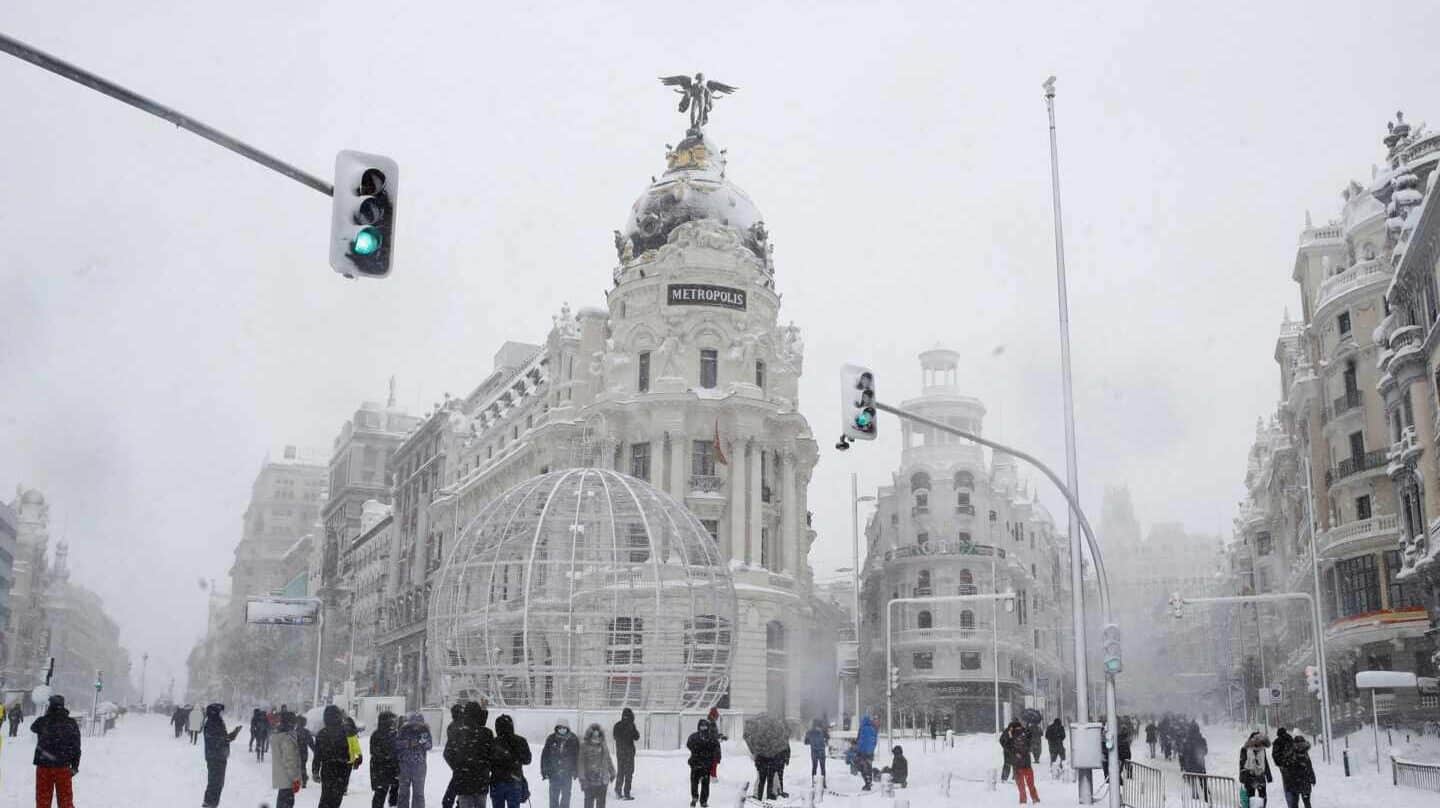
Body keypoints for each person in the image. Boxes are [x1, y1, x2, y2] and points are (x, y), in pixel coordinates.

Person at [32, 694, 81, 808]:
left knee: (43, 800)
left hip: (43, 766)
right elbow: (76, 747)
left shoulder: (43, 721)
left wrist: (47, 716)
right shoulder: (71, 723)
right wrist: (74, 766)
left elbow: (33, 727)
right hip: (63, 767)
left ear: (50, 706)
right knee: (65, 801)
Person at [444, 701, 495, 808]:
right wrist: (485, 767)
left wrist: (458, 767)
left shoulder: (458, 732)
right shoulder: (486, 733)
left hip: (463, 780)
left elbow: (448, 753)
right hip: (481, 780)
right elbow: (493, 755)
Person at [201, 702, 242, 808]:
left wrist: (233, 734)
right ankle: (208, 805)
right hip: (215, 758)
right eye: (220, 711)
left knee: (218, 784)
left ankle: (212, 804)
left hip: (219, 757)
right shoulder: (211, 723)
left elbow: (223, 739)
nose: (221, 714)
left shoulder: (217, 722)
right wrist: (229, 737)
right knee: (214, 784)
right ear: (215, 712)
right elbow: (217, 741)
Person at [315, 705, 356, 808]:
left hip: (327, 769)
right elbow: (353, 750)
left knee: (325, 797)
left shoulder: (322, 733)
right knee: (336, 799)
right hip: (343, 769)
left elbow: (317, 755)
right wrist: (354, 761)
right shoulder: (347, 732)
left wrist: (315, 770)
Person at [490, 714, 532, 808]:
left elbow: (488, 762)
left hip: (496, 781)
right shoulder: (520, 741)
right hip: (515, 780)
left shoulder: (493, 742)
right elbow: (528, 760)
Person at [395, 711, 434, 808]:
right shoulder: (404, 730)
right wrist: (408, 743)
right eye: (414, 723)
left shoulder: (425, 730)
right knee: (403, 793)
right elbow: (396, 744)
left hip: (419, 766)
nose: (416, 726)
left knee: (418, 794)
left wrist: (421, 743)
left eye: (419, 724)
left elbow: (429, 745)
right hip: (405, 765)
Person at [541, 719, 580, 808]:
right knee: (553, 796)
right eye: (560, 728)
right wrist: (545, 771)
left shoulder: (573, 739)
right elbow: (545, 756)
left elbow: (577, 756)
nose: (562, 729)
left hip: (567, 773)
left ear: (567, 728)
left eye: (564, 728)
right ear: (557, 728)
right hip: (554, 773)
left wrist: (576, 770)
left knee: (566, 796)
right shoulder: (551, 739)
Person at [577, 724, 616, 808]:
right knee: (588, 803)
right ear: (589, 735)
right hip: (589, 780)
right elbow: (581, 763)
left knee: (601, 804)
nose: (596, 738)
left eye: (598, 736)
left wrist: (612, 772)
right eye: (594, 736)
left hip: (602, 780)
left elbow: (608, 759)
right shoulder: (584, 746)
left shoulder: (603, 746)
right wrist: (582, 778)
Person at [271, 710, 304, 808]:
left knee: (281, 802)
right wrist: (295, 779)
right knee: (286, 803)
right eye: (294, 722)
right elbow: (290, 761)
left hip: (282, 778)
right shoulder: (287, 738)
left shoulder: (278, 734)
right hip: (288, 779)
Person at [1002, 720, 1039, 804]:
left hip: (1017, 764)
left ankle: (1023, 801)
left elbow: (1006, 745)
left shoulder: (1011, 735)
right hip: (1027, 763)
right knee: (1031, 784)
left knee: (1021, 786)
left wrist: (1009, 734)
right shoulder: (1026, 733)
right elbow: (1030, 744)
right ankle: (1035, 799)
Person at [685, 719, 720, 808]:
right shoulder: (695, 736)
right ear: (699, 726)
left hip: (704, 764)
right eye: (702, 726)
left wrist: (716, 757)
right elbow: (689, 744)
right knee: (695, 782)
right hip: (698, 763)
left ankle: (702, 801)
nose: (703, 728)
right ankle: (695, 797)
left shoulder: (709, 737)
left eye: (705, 726)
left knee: (704, 783)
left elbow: (716, 748)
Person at [371, 711, 401, 808]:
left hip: (391, 768)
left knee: (392, 793)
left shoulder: (395, 734)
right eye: (392, 720)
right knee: (381, 794)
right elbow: (374, 752)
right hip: (382, 769)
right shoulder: (377, 735)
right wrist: (388, 757)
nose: (394, 723)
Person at [1277, 733, 1315, 808]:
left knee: (1294, 804)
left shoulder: (1291, 754)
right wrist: (1312, 778)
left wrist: (1287, 783)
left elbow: (1287, 768)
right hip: (1305, 782)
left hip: (1294, 783)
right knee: (1307, 803)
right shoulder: (1305, 753)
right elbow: (1309, 767)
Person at [441, 703, 467, 808]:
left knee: (457, 782)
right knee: (461, 784)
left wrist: (454, 765)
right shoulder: (463, 725)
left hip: (457, 760)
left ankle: (449, 802)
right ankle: (457, 803)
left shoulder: (452, 726)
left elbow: (449, 749)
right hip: (464, 759)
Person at [611, 708, 639, 801]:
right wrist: (630, 731)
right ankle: (626, 793)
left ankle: (618, 791)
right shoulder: (631, 725)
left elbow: (615, 736)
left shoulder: (618, 725)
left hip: (621, 752)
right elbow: (637, 737)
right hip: (628, 752)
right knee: (628, 773)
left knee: (621, 772)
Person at [1239, 732, 1273, 804]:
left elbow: (1265, 761)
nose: (1261, 745)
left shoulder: (1262, 749)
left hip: (1261, 775)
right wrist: (1242, 778)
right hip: (1249, 776)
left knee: (1263, 797)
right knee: (1250, 797)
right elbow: (1241, 763)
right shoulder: (1245, 749)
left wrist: (1268, 775)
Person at [855, 713, 877, 791]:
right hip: (870, 752)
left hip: (863, 751)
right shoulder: (873, 728)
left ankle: (867, 783)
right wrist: (872, 749)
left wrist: (858, 750)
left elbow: (859, 740)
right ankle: (870, 780)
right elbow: (875, 741)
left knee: (862, 766)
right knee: (869, 766)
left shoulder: (862, 728)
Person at [803, 719, 829, 785]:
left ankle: (813, 782)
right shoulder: (823, 731)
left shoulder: (809, 732)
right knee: (823, 768)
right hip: (822, 752)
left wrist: (812, 741)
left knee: (814, 767)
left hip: (814, 752)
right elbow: (828, 738)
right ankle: (824, 783)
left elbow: (806, 742)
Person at [295, 714, 315, 788]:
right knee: (303, 766)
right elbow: (311, 743)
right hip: (304, 751)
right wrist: (315, 751)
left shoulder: (294, 732)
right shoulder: (306, 732)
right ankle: (304, 780)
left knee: (297, 766)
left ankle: (300, 779)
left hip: (296, 752)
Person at [705, 707, 724, 780]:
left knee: (713, 762)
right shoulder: (710, 723)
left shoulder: (711, 722)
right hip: (712, 747)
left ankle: (712, 776)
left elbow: (713, 735)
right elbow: (711, 736)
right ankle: (712, 776)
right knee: (713, 762)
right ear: (714, 715)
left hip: (713, 746)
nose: (717, 717)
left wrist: (720, 736)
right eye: (716, 716)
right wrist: (718, 737)